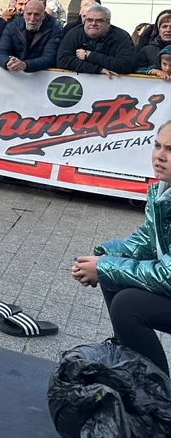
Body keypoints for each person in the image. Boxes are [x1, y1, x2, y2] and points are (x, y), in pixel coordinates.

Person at [72, 119, 171, 375]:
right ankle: (132, 366)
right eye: (157, 146)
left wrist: (105, 267)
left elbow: (168, 275)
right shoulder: (163, 191)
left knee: (129, 304)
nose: (159, 156)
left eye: (170, 150)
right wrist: (104, 256)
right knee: (112, 275)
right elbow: (147, 241)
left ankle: (156, 391)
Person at [56, 4, 136, 76]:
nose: (93, 24)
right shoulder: (74, 34)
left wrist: (89, 55)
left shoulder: (120, 36)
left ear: (108, 23)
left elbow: (126, 64)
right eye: (89, 20)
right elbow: (62, 60)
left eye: (99, 21)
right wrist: (98, 69)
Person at [0, 0, 63, 73]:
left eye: (36, 14)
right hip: (14, 73)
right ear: (24, 14)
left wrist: (25, 65)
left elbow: (49, 57)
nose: (32, 19)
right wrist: (8, 62)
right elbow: (1, 52)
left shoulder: (54, 29)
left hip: (40, 75)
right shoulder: (12, 26)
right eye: (29, 14)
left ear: (43, 15)